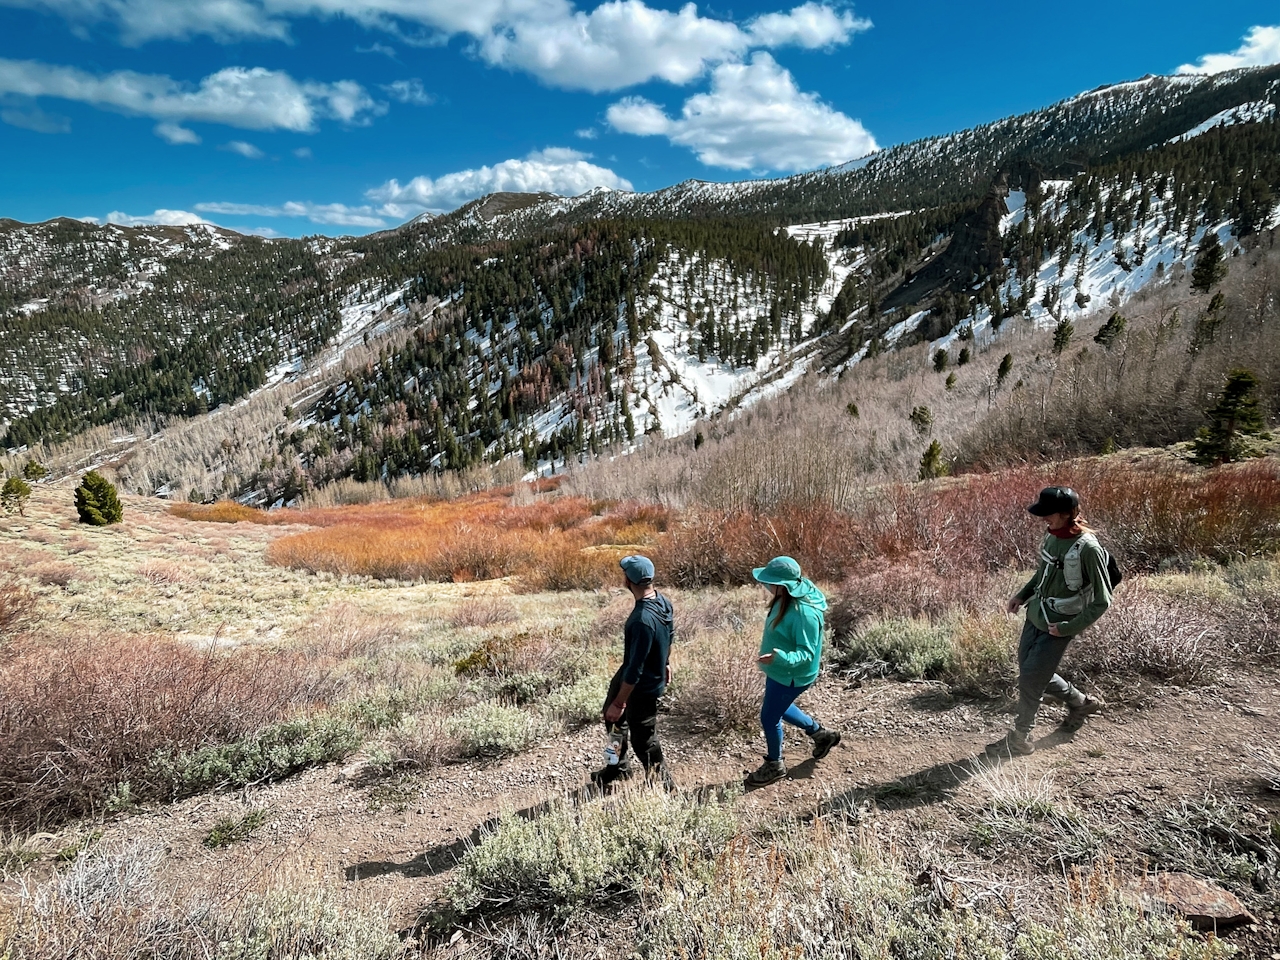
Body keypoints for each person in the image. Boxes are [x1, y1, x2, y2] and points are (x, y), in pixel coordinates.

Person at [990, 486, 1112, 757]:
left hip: (1059, 625)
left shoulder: (1088, 548)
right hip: (1036, 616)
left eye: (1049, 514)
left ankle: (1020, 737)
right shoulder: (1052, 538)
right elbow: (1042, 574)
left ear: (1068, 514)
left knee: (1031, 679)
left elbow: (1103, 600)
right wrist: (1022, 595)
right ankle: (1081, 702)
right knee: (1031, 673)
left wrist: (1069, 627)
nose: (1044, 519)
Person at [746, 556, 842, 786]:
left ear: (784, 585)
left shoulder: (803, 612)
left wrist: (781, 658)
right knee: (778, 708)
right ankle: (821, 734)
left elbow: (807, 653)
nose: (766, 585)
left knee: (769, 718)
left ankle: (775, 765)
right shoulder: (789, 596)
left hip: (791, 675)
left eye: (771, 582)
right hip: (780, 671)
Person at [592, 554, 674, 789]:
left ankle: (665, 785)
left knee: (644, 740)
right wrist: (665, 662)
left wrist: (620, 702)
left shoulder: (641, 620)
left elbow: (636, 669)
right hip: (633, 676)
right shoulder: (663, 601)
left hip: (641, 686)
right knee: (614, 724)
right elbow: (669, 635)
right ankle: (617, 766)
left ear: (628, 581)